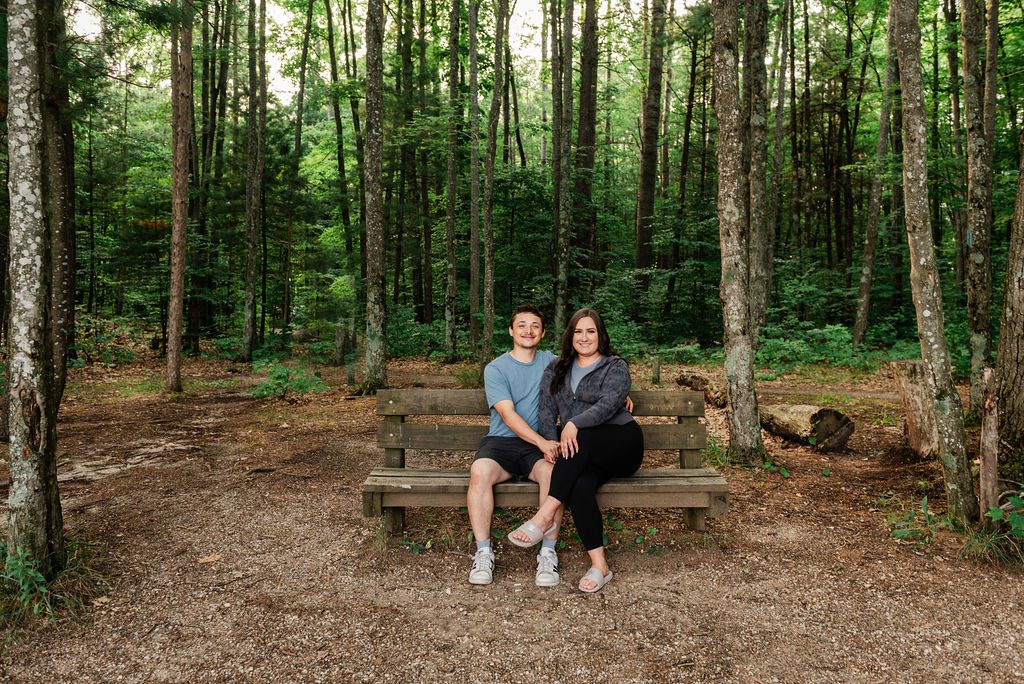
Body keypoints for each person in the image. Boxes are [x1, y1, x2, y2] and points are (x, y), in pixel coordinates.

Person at [507, 307, 643, 593]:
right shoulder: (556, 368)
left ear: (600, 335)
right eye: (578, 331)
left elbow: (608, 405)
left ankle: (544, 516)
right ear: (570, 337)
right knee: (580, 486)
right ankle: (600, 566)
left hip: (621, 445)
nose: (584, 337)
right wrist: (549, 442)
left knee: (581, 436)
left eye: (590, 331)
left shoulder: (615, 366)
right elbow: (545, 411)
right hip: (581, 451)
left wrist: (573, 424)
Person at [468, 305, 564, 587]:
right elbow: (508, 416)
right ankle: (483, 553)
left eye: (535, 325)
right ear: (511, 331)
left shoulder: (554, 362)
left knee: (553, 475)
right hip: (501, 443)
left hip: (537, 448)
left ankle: (547, 554)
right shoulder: (496, 368)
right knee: (480, 472)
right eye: (521, 325)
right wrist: (543, 442)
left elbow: (590, 372)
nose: (528, 331)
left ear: (543, 333)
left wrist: (621, 394)